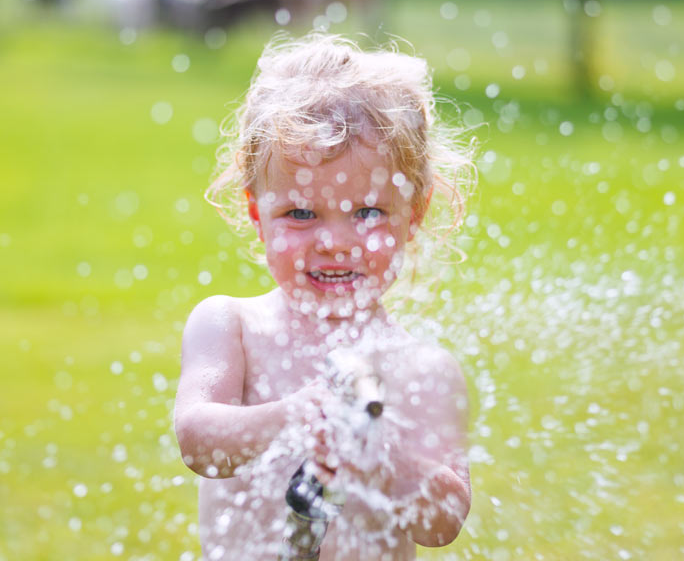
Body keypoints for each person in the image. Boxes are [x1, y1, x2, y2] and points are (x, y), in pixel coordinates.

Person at [174, 33, 475, 560]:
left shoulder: (422, 369)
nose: (334, 242)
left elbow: (443, 522)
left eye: (367, 213)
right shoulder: (234, 328)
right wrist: (295, 417)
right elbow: (199, 442)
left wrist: (380, 458)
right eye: (301, 214)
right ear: (255, 212)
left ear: (415, 215)